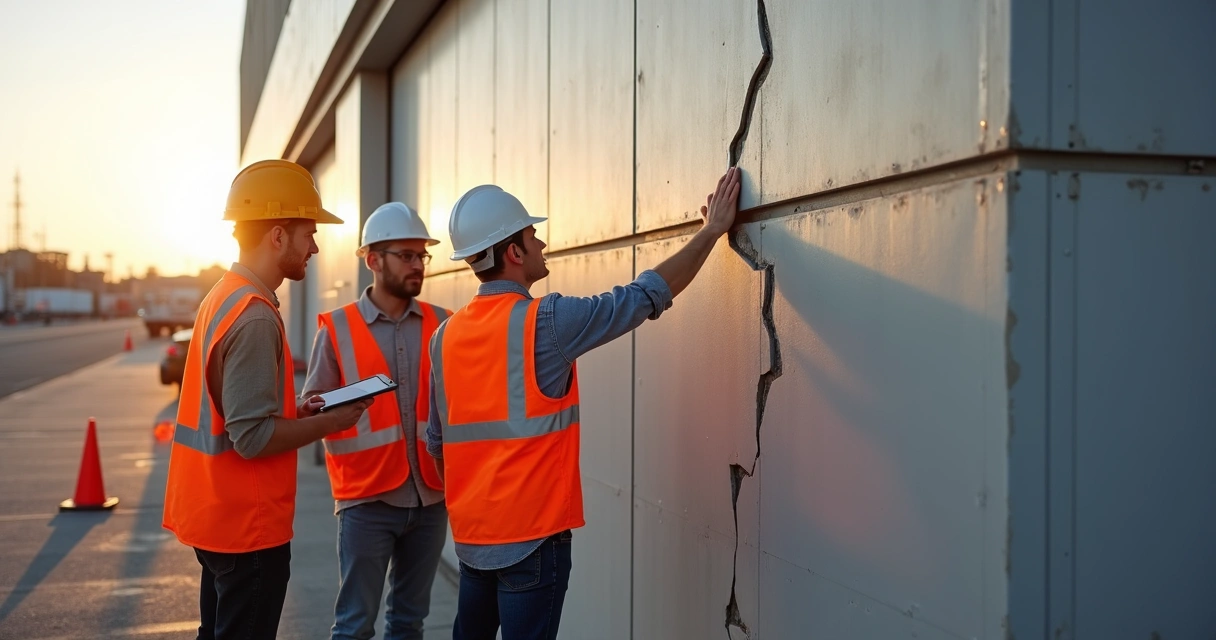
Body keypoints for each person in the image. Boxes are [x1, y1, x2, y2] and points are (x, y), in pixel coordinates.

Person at [427, 167, 742, 638]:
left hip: (472, 543)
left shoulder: (443, 336)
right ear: (514, 252)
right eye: (534, 236)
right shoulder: (547, 321)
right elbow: (645, 295)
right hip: (532, 544)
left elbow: (437, 445)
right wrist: (712, 231)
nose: (542, 244)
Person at [163, 159, 374, 640]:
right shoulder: (255, 315)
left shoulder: (223, 295)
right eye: (308, 233)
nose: (315, 247)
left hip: (216, 520)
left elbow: (233, 410)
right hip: (246, 530)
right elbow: (252, 437)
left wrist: (296, 411)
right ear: (277, 235)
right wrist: (333, 421)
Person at [302, 202, 452, 640]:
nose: (417, 265)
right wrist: (332, 406)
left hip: (429, 498)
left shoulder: (444, 324)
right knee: (354, 626)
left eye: (421, 255)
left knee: (409, 624)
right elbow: (312, 409)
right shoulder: (338, 329)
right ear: (373, 260)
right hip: (366, 501)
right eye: (405, 255)